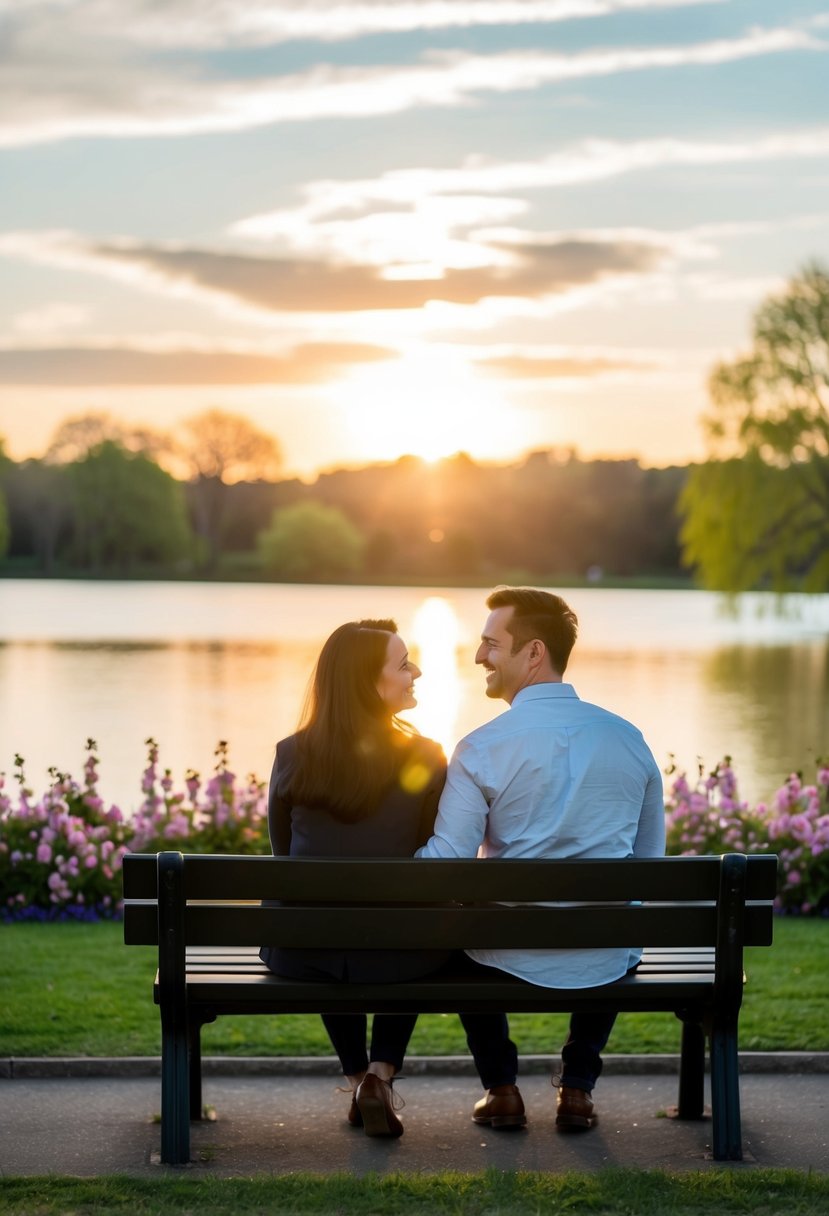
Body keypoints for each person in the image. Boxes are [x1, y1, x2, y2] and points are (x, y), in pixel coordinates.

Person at [417, 586, 666, 1133]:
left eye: (490, 644)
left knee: (459, 936)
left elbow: (448, 862)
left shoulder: (480, 746)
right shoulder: (630, 740)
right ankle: (577, 1088)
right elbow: (649, 864)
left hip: (505, 951)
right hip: (603, 955)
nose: (479, 657)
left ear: (533, 652)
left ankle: (501, 1088)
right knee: (616, 924)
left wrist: (390, 855)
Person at [260, 618, 449, 1138]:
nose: (416, 671)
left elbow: (284, 855)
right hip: (400, 951)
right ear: (369, 683)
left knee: (322, 920)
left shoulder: (292, 753)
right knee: (414, 931)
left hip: (305, 949)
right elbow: (436, 856)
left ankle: (356, 1074)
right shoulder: (426, 757)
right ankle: (380, 1074)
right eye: (404, 663)